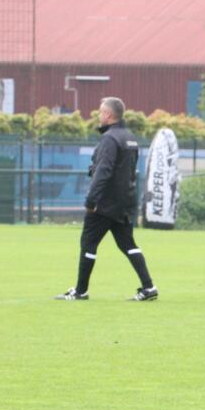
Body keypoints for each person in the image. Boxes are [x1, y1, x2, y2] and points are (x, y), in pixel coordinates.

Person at [54, 97, 158, 302]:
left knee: (88, 243)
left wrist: (91, 200)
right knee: (127, 244)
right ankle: (149, 287)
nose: (99, 115)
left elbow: (104, 171)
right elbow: (128, 171)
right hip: (125, 202)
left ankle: (81, 291)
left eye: (101, 111)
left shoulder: (110, 139)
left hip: (105, 203)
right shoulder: (130, 138)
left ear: (109, 115)